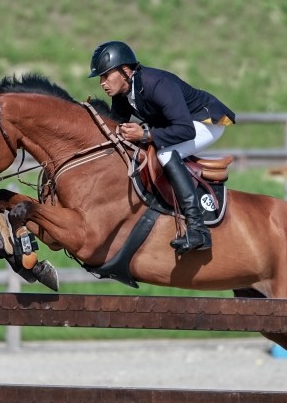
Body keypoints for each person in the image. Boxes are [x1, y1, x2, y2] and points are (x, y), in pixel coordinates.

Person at [87, 40, 236, 254]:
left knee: (166, 153)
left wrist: (146, 134)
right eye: (100, 77)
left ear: (125, 71)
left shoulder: (156, 84)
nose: (102, 83)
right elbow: (116, 126)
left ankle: (198, 229)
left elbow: (186, 130)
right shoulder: (122, 92)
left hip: (205, 122)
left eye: (106, 75)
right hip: (179, 123)